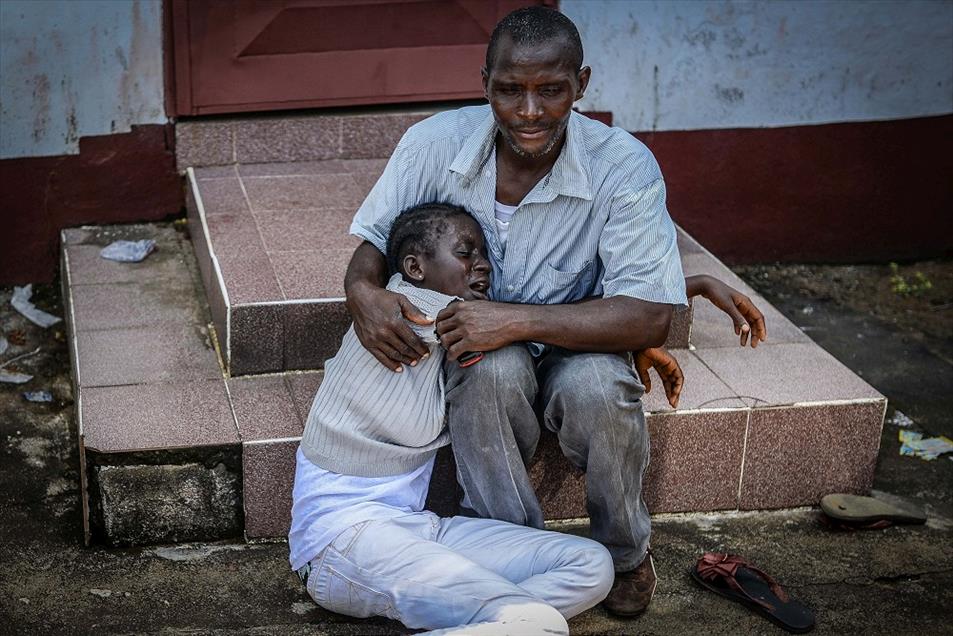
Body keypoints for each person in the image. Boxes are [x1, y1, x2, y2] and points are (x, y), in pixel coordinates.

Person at [344, 6, 685, 617]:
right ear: (485, 84)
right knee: (487, 370)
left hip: (580, 341)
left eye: (551, 90)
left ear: (581, 84)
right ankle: (513, 549)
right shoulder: (432, 143)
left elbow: (650, 315)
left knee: (601, 390)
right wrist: (363, 295)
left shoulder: (624, 167)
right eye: (510, 91)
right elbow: (371, 250)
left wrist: (515, 318)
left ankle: (627, 555)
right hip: (484, 347)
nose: (529, 112)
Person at [289, 202, 614, 635]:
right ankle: (512, 618)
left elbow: (526, 317)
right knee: (539, 622)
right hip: (344, 542)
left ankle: (498, 618)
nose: (481, 266)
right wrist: (645, 309)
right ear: (414, 267)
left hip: (419, 530)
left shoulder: (442, 317)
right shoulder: (410, 312)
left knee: (592, 564)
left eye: (483, 256)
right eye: (465, 254)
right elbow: (533, 315)